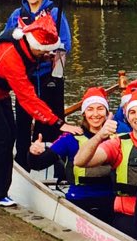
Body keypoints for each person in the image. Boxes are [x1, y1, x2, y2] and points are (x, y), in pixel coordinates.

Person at [0, 13, 77, 207]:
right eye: (43, 52)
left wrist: (46, 56)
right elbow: (27, 98)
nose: (44, 55)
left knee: (10, 133)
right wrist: (58, 122)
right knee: (0, 140)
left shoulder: (24, 40)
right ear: (36, 46)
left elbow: (33, 59)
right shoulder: (11, 59)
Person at [4, 0, 72, 166]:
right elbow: (8, 42)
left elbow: (65, 43)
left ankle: (56, 161)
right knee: (23, 121)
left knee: (53, 119)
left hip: (50, 75)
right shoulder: (17, 14)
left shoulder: (55, 13)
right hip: (24, 77)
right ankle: (23, 161)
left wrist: (52, 55)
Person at [73, 88, 137, 235]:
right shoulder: (117, 143)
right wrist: (100, 135)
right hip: (128, 217)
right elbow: (79, 161)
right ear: (127, 119)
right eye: (132, 112)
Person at [28, 86, 115, 222]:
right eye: (90, 109)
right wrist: (33, 152)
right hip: (80, 198)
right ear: (84, 114)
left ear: (106, 112)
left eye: (100, 109)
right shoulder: (70, 139)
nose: (95, 114)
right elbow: (38, 164)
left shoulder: (117, 137)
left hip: (112, 197)